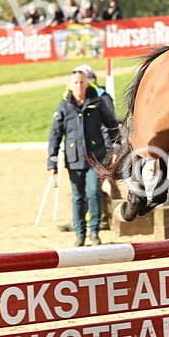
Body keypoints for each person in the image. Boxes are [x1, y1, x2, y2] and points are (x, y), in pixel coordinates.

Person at [48, 69, 120, 246]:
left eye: (82, 82)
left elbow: (112, 125)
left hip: (95, 158)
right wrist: (52, 162)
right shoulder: (64, 106)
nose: (79, 85)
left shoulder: (97, 102)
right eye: (75, 82)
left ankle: (94, 232)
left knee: (94, 193)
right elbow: (55, 134)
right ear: (70, 85)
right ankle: (80, 234)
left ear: (87, 83)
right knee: (78, 196)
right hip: (74, 159)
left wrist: (117, 147)